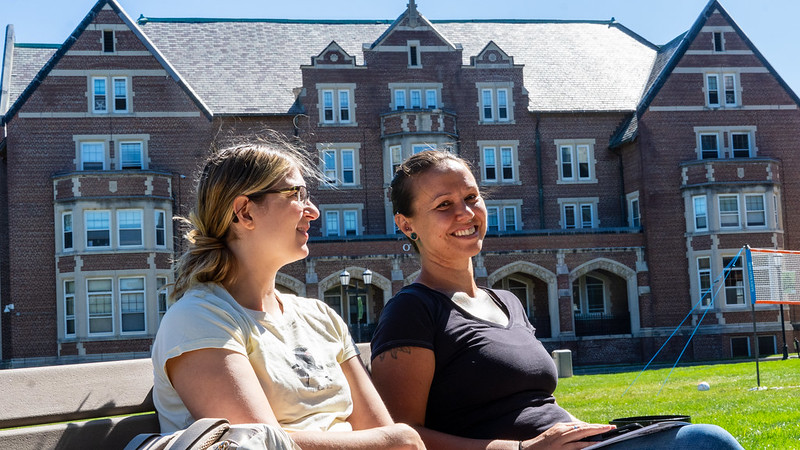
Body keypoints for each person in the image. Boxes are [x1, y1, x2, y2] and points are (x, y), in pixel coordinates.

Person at [370, 150, 743, 450]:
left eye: (471, 197)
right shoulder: (412, 310)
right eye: (443, 205)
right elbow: (402, 436)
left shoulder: (506, 302)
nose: (465, 213)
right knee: (706, 443)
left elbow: (534, 408)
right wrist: (523, 449)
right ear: (406, 224)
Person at [151, 141, 425, 450]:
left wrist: (396, 440)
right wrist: (396, 441)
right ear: (245, 212)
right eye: (296, 195)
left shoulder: (321, 317)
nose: (313, 211)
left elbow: (380, 430)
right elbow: (261, 445)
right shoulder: (199, 319)